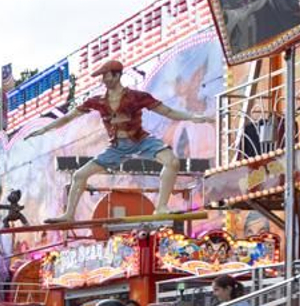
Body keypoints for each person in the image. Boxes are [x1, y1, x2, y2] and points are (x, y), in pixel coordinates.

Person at [34, 58, 208, 221]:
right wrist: (45, 128)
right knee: (80, 175)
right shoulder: (98, 101)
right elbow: (68, 117)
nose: (103, 80)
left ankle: (161, 206)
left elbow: (168, 112)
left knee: (172, 162)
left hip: (141, 140)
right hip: (117, 146)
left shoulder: (137, 97)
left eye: (106, 75)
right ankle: (69, 214)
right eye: (102, 76)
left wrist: (191, 116)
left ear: (117, 75)